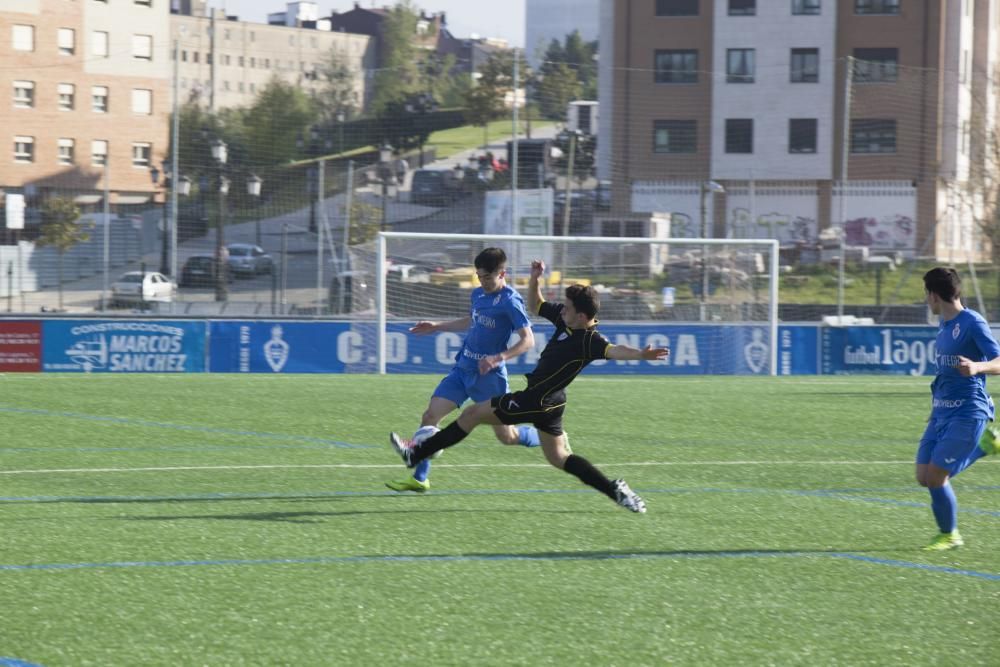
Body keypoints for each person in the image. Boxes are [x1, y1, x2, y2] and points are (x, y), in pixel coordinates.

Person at [390, 259, 670, 513]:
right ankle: (614, 489)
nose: (563, 310)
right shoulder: (566, 318)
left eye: (569, 308)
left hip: (535, 400)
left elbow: (616, 350)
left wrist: (641, 355)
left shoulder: (590, 341)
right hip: (553, 404)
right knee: (560, 458)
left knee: (471, 415)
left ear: (583, 317)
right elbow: (537, 305)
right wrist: (535, 279)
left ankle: (416, 453)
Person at [384, 248, 543, 492]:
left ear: (502, 273)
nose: (483, 282)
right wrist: (436, 326)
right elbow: (470, 321)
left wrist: (498, 357)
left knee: (507, 437)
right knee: (430, 417)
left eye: (487, 277)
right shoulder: (478, 294)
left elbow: (528, 340)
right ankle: (419, 478)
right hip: (463, 369)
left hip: (489, 378)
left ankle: (546, 435)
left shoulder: (510, 301)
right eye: (479, 276)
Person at [916, 267, 1000, 550]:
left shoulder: (972, 322)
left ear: (935, 295)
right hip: (941, 411)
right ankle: (986, 448)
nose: (926, 300)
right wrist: (935, 407)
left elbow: (998, 361)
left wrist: (977, 367)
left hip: (968, 411)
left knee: (936, 477)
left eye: (926, 294)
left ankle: (949, 534)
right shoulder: (943, 324)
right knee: (923, 477)